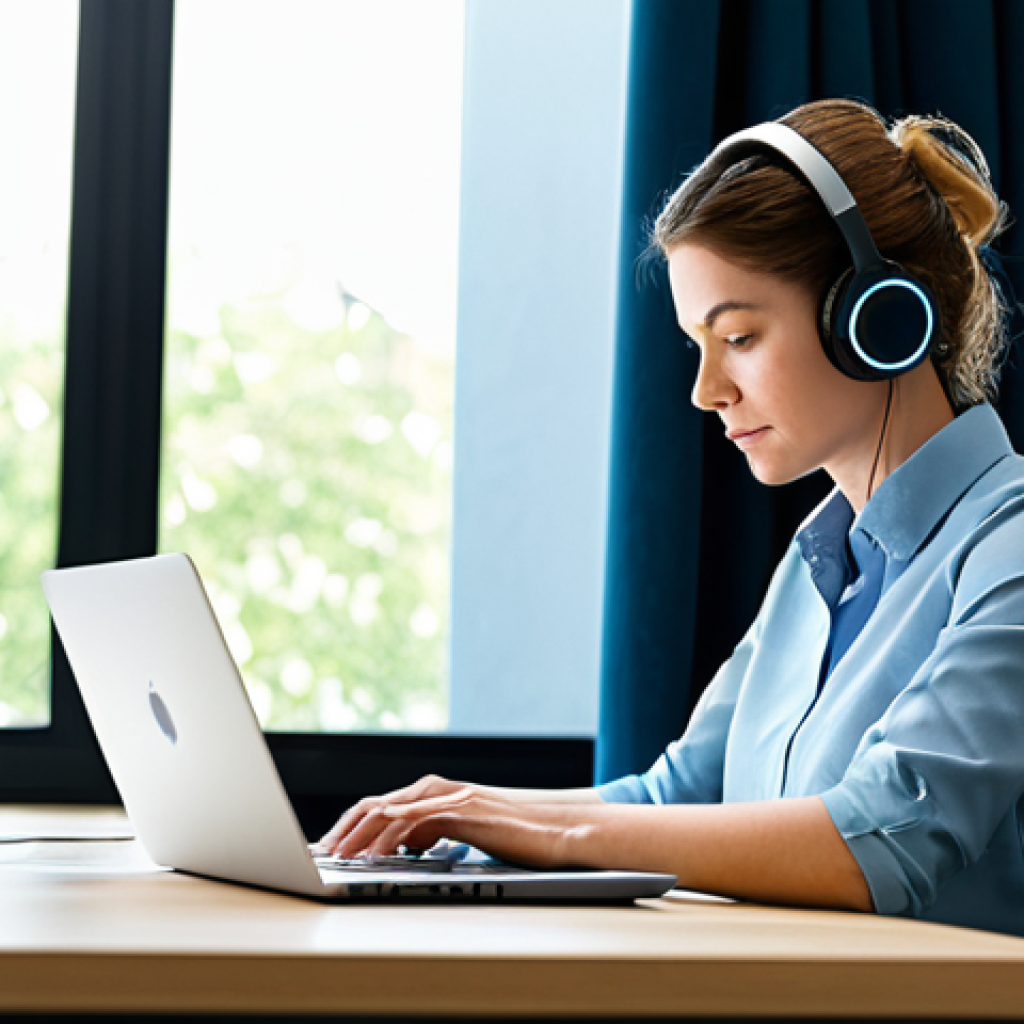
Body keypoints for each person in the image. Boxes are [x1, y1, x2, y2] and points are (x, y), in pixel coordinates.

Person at [317, 99, 1024, 934]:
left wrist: (536, 828)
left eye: (741, 338)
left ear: (876, 317)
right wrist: (450, 824)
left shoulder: (1005, 548)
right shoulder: (818, 562)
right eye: (698, 344)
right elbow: (674, 797)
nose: (706, 391)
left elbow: (884, 840)